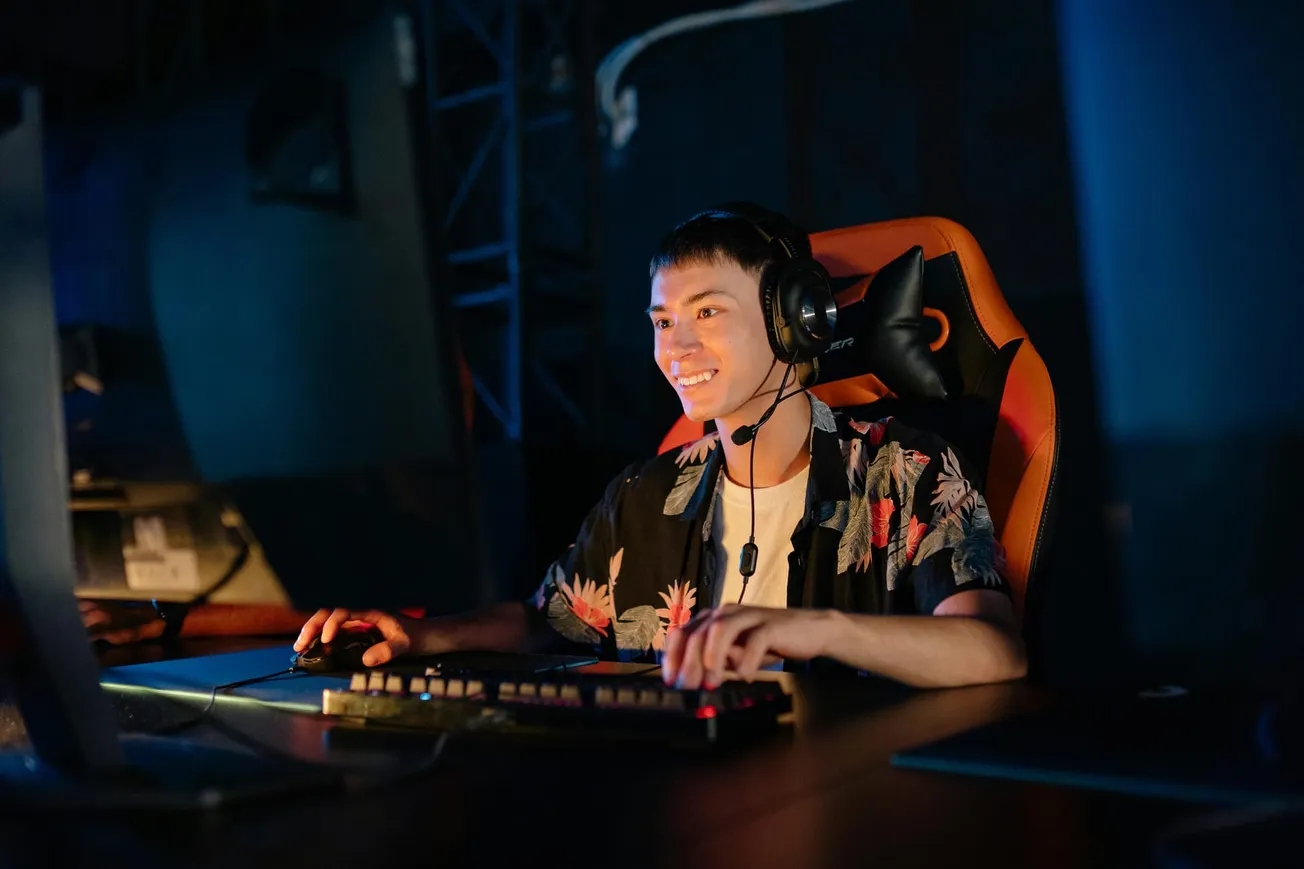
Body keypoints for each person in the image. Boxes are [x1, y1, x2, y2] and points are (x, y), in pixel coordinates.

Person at [295, 204, 1027, 690]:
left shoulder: (906, 470)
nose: (675, 346)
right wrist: (424, 637)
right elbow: (546, 620)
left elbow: (994, 650)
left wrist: (810, 628)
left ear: (795, 324)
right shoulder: (645, 495)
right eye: (661, 319)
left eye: (706, 311)